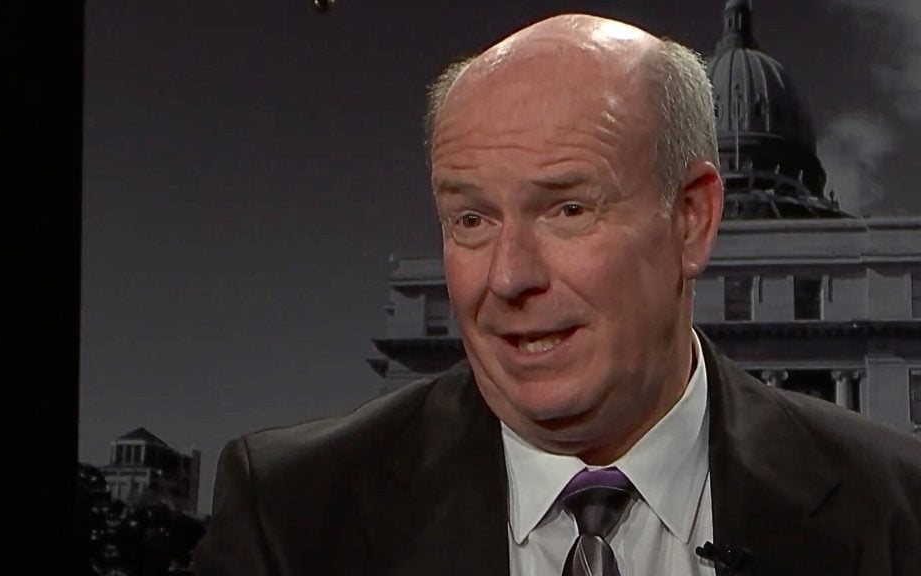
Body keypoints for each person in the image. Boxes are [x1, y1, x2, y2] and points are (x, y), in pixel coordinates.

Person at [194, 13, 921, 576]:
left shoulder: (898, 509)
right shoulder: (291, 514)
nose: (509, 278)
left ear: (693, 219)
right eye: (471, 219)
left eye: (568, 210)